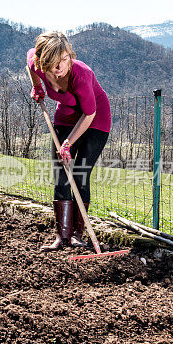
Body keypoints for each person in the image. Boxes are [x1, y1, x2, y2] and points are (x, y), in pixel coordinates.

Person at [26, 31, 112, 251]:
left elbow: (89, 113)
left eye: (65, 59)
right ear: (43, 61)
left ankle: (77, 235)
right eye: (54, 63)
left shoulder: (81, 75)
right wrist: (37, 87)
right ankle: (62, 236)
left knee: (80, 172)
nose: (60, 67)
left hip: (94, 119)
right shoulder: (37, 64)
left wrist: (68, 143)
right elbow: (30, 66)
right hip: (65, 116)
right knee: (60, 172)